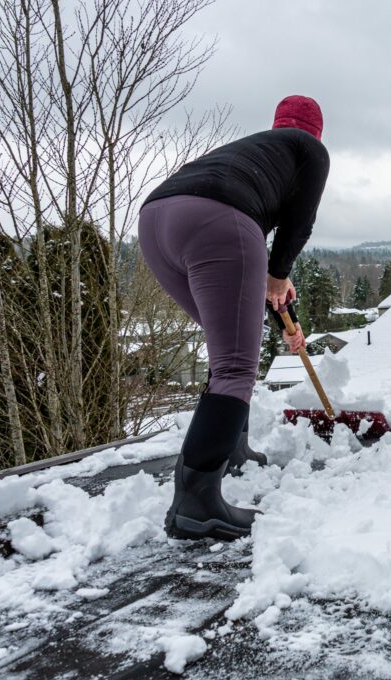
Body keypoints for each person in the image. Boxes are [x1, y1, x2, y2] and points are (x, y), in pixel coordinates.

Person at [139, 95, 330, 541]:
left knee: (226, 349)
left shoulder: (256, 151)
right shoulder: (311, 151)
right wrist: (279, 274)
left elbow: (253, 283)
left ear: (277, 123)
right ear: (316, 131)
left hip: (156, 221)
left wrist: (280, 298)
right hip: (220, 221)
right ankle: (197, 504)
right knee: (235, 365)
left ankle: (233, 449)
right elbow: (298, 226)